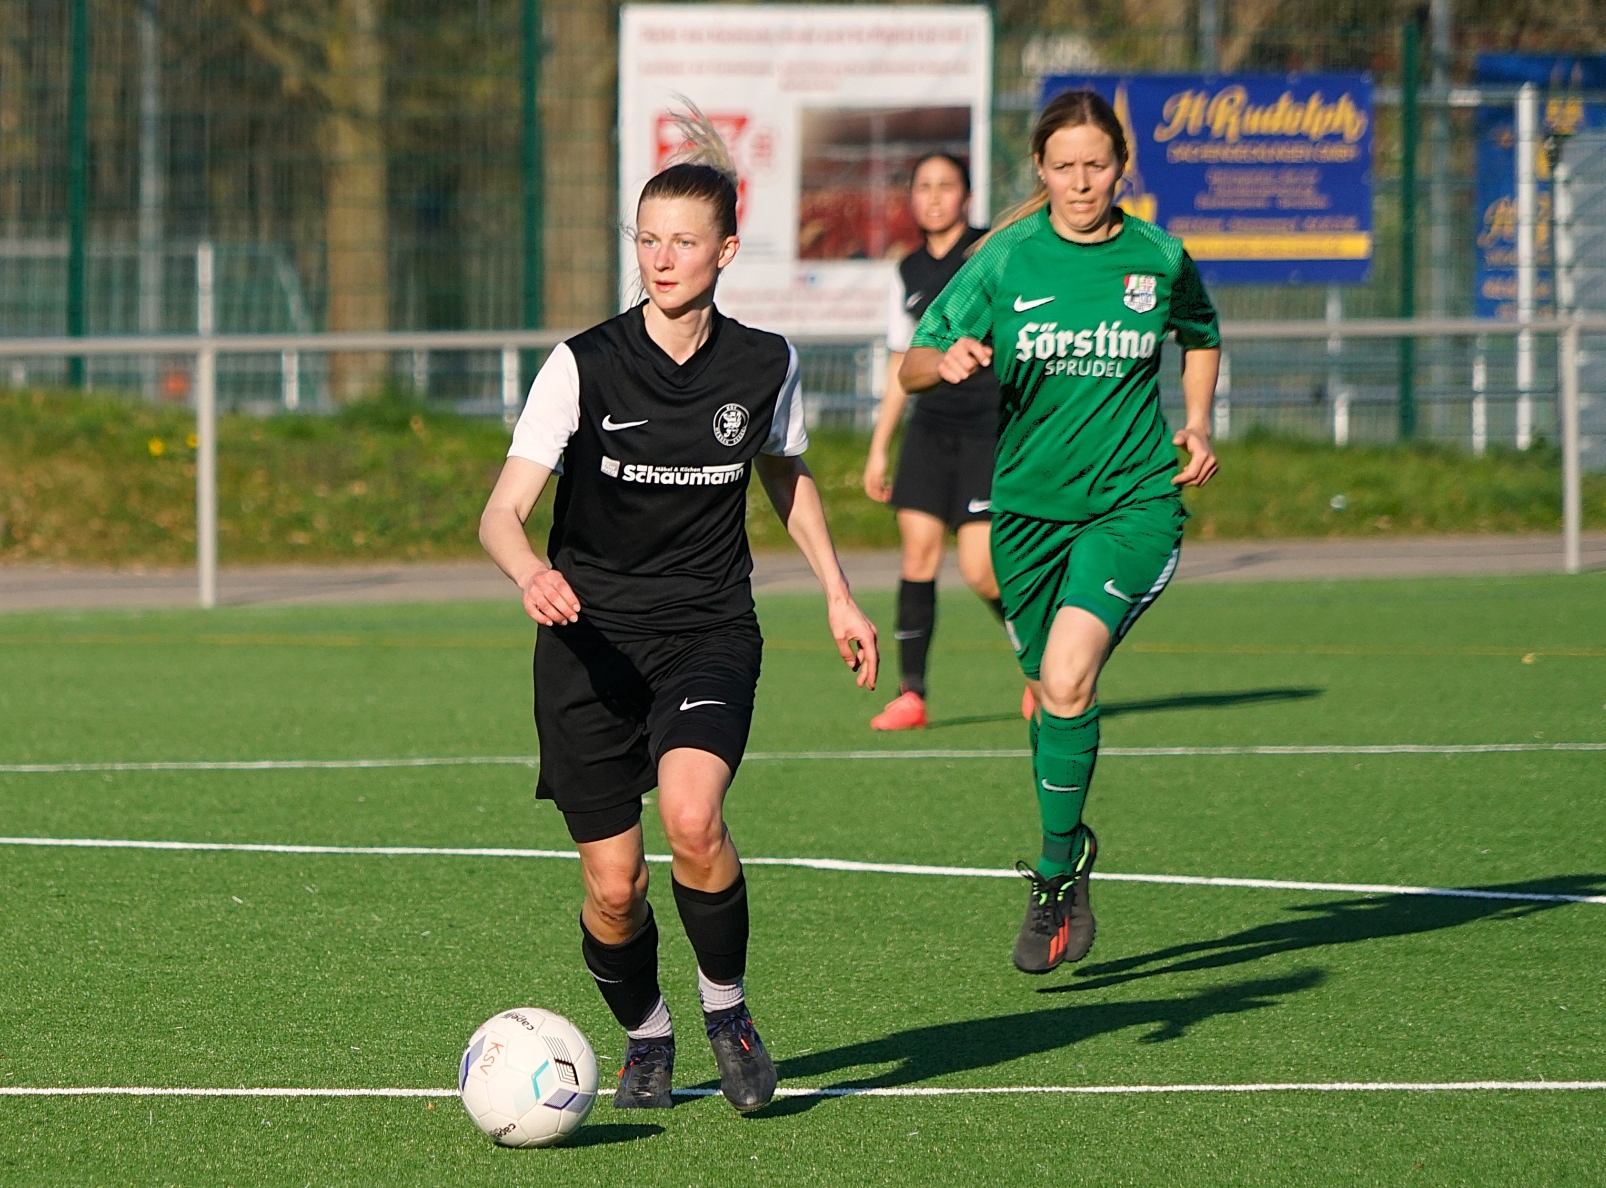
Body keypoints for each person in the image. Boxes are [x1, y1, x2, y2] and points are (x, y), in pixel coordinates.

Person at [479, 106, 880, 1112]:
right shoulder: (584, 364)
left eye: (684, 241)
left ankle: (726, 1009)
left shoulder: (765, 363)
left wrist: (838, 594)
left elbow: (786, 476)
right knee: (615, 888)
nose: (661, 259)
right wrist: (528, 571)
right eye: (648, 239)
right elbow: (500, 512)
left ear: (725, 251)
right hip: (587, 645)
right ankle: (647, 1034)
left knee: (696, 819)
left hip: (707, 630)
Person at [901, 89, 1221, 974]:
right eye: (1065, 166)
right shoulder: (1005, 259)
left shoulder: (1158, 256)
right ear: (1039, 170)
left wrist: (1197, 422)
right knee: (1049, 690)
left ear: (1122, 167)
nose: (1082, 182)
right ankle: (1072, 850)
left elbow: (1200, 333)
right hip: (1027, 514)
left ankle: (1049, 874)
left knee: (1070, 677)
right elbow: (913, 362)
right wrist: (945, 360)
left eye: (1097, 165)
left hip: (1132, 502)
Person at [862, 152, 1016, 732]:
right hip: (930, 429)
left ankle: (1046, 665)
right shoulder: (906, 271)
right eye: (923, 186)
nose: (933, 196)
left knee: (981, 569)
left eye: (946, 185)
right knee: (918, 556)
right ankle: (912, 695)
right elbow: (902, 362)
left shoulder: (993, 254)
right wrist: (880, 446)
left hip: (988, 428)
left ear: (967, 195)